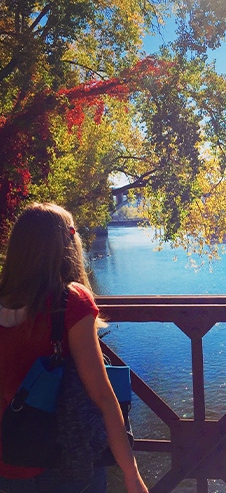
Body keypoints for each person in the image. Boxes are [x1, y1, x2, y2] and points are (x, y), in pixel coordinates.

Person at [0, 203, 148, 493]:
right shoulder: (69, 302)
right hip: (63, 464)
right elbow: (103, 397)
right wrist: (132, 475)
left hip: (9, 459)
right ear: (65, 246)